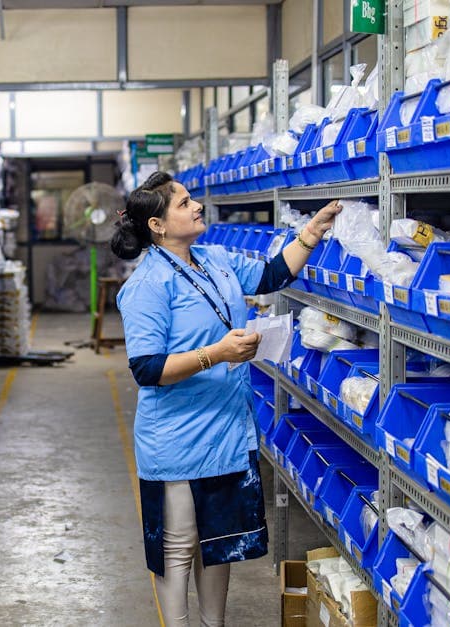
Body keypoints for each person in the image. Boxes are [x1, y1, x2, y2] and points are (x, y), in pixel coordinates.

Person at [112, 171, 341, 626]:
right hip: (177, 438)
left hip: (226, 431)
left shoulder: (215, 259)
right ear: (157, 226)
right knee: (178, 547)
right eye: (183, 203)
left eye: (192, 199)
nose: (196, 206)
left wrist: (311, 233)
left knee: (219, 543)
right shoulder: (147, 286)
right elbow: (148, 369)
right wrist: (217, 352)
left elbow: (274, 273)